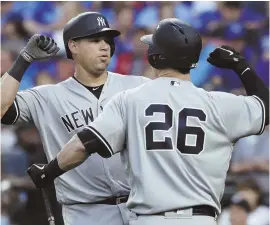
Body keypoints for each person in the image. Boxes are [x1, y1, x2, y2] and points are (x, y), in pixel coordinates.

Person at [27, 18, 269, 225]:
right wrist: (240, 65)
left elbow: (83, 144)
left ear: (154, 57)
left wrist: (49, 172)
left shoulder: (131, 99)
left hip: (149, 218)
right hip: (201, 218)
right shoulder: (219, 104)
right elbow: (265, 108)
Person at [1, 12, 150, 225]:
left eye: (107, 41)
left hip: (138, 208)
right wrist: (24, 59)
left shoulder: (138, 86)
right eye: (95, 40)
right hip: (85, 213)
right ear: (73, 46)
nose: (104, 46)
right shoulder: (47, 96)